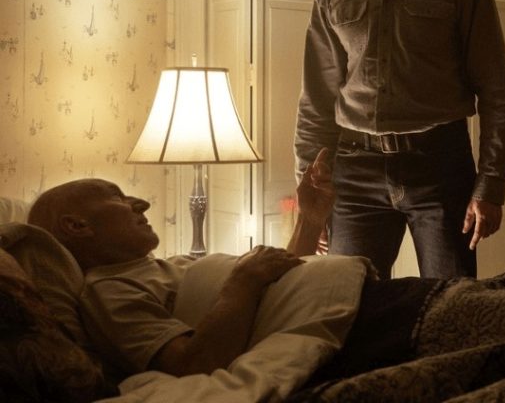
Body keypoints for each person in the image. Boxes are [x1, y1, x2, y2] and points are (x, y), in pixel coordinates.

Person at [293, 0, 505, 279]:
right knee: (347, 300)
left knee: (450, 301)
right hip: (353, 169)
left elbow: (495, 90)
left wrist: (491, 186)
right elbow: (317, 97)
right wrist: (310, 194)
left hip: (440, 163)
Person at [25, 149, 337, 381]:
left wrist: (309, 220)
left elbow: (276, 285)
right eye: (118, 197)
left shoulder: (169, 266)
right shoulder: (111, 291)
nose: (142, 204)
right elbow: (193, 366)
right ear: (77, 226)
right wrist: (243, 280)